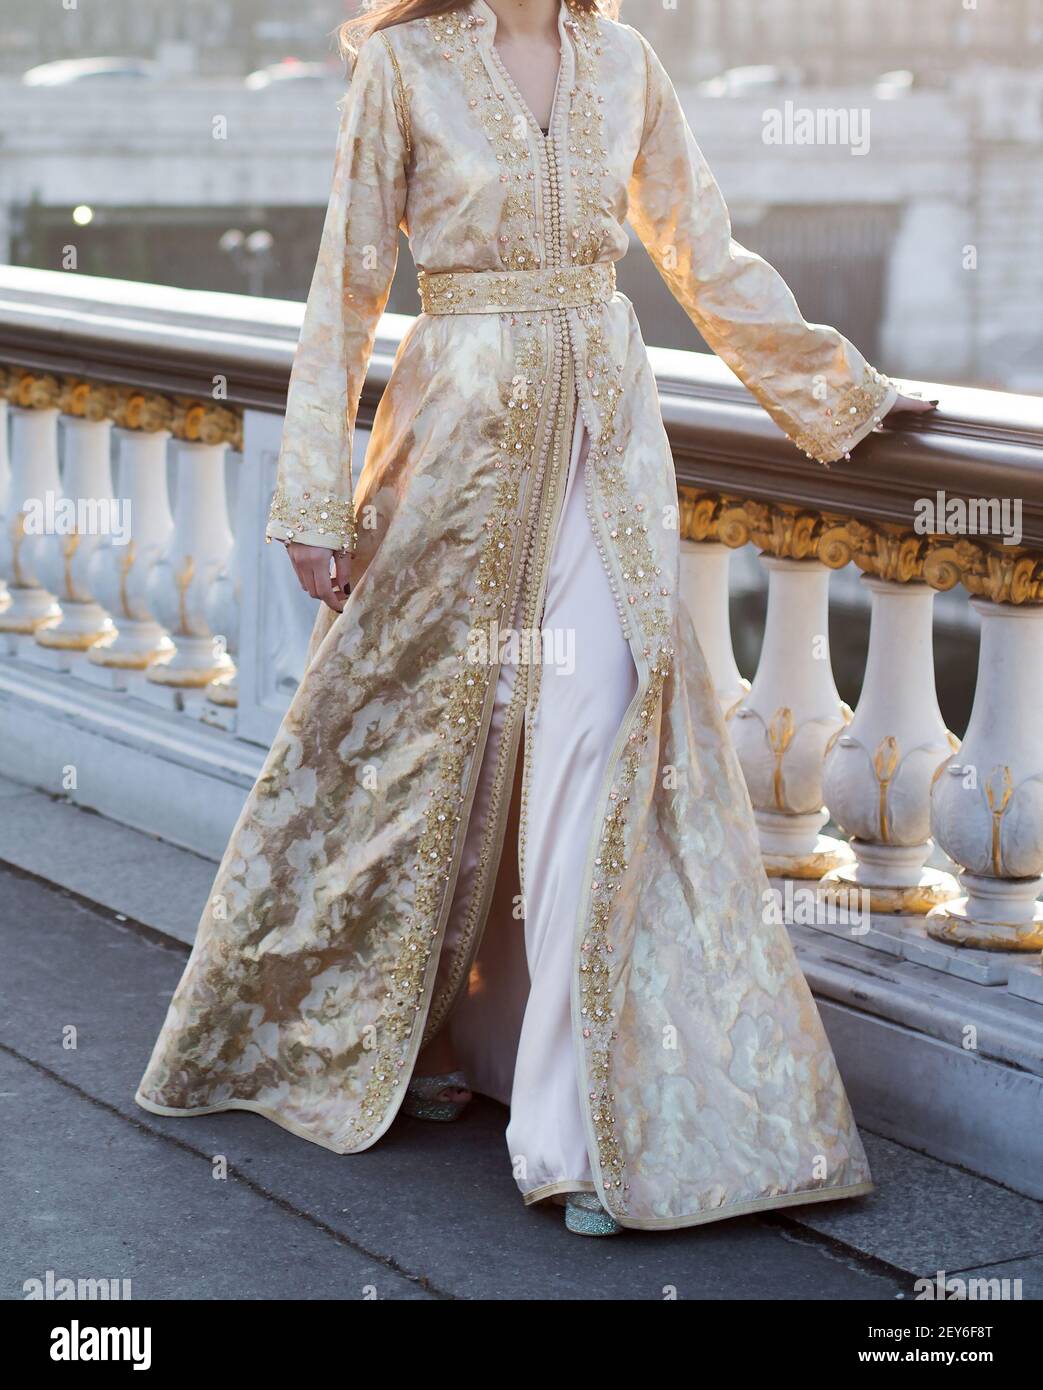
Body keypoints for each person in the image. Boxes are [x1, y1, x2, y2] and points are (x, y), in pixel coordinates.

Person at [136, 0, 936, 1237]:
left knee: (593, 738)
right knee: (417, 750)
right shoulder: (400, 66)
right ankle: (435, 1034)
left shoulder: (624, 60)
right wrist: (310, 494)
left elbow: (702, 254)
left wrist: (840, 392)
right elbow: (345, 281)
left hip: (606, 451)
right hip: (450, 452)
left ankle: (569, 1132)